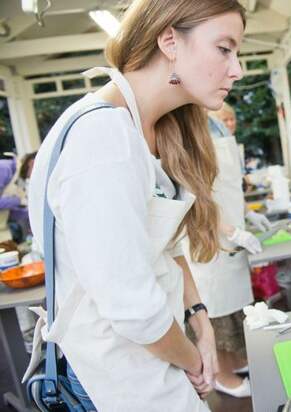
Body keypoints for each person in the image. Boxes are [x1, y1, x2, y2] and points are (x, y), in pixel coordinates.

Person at [26, 0, 245, 410]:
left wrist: (198, 314)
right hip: (118, 379)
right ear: (169, 41)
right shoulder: (103, 137)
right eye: (224, 48)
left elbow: (161, 242)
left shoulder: (146, 129)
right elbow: (133, 308)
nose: (237, 69)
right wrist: (192, 358)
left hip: (154, 359)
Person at [183, 106, 270, 398]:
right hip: (209, 240)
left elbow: (226, 187)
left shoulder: (216, 129)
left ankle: (235, 363)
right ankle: (220, 376)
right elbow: (198, 198)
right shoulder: (188, 131)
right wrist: (232, 231)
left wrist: (248, 213)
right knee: (216, 313)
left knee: (233, 311)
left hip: (229, 241)